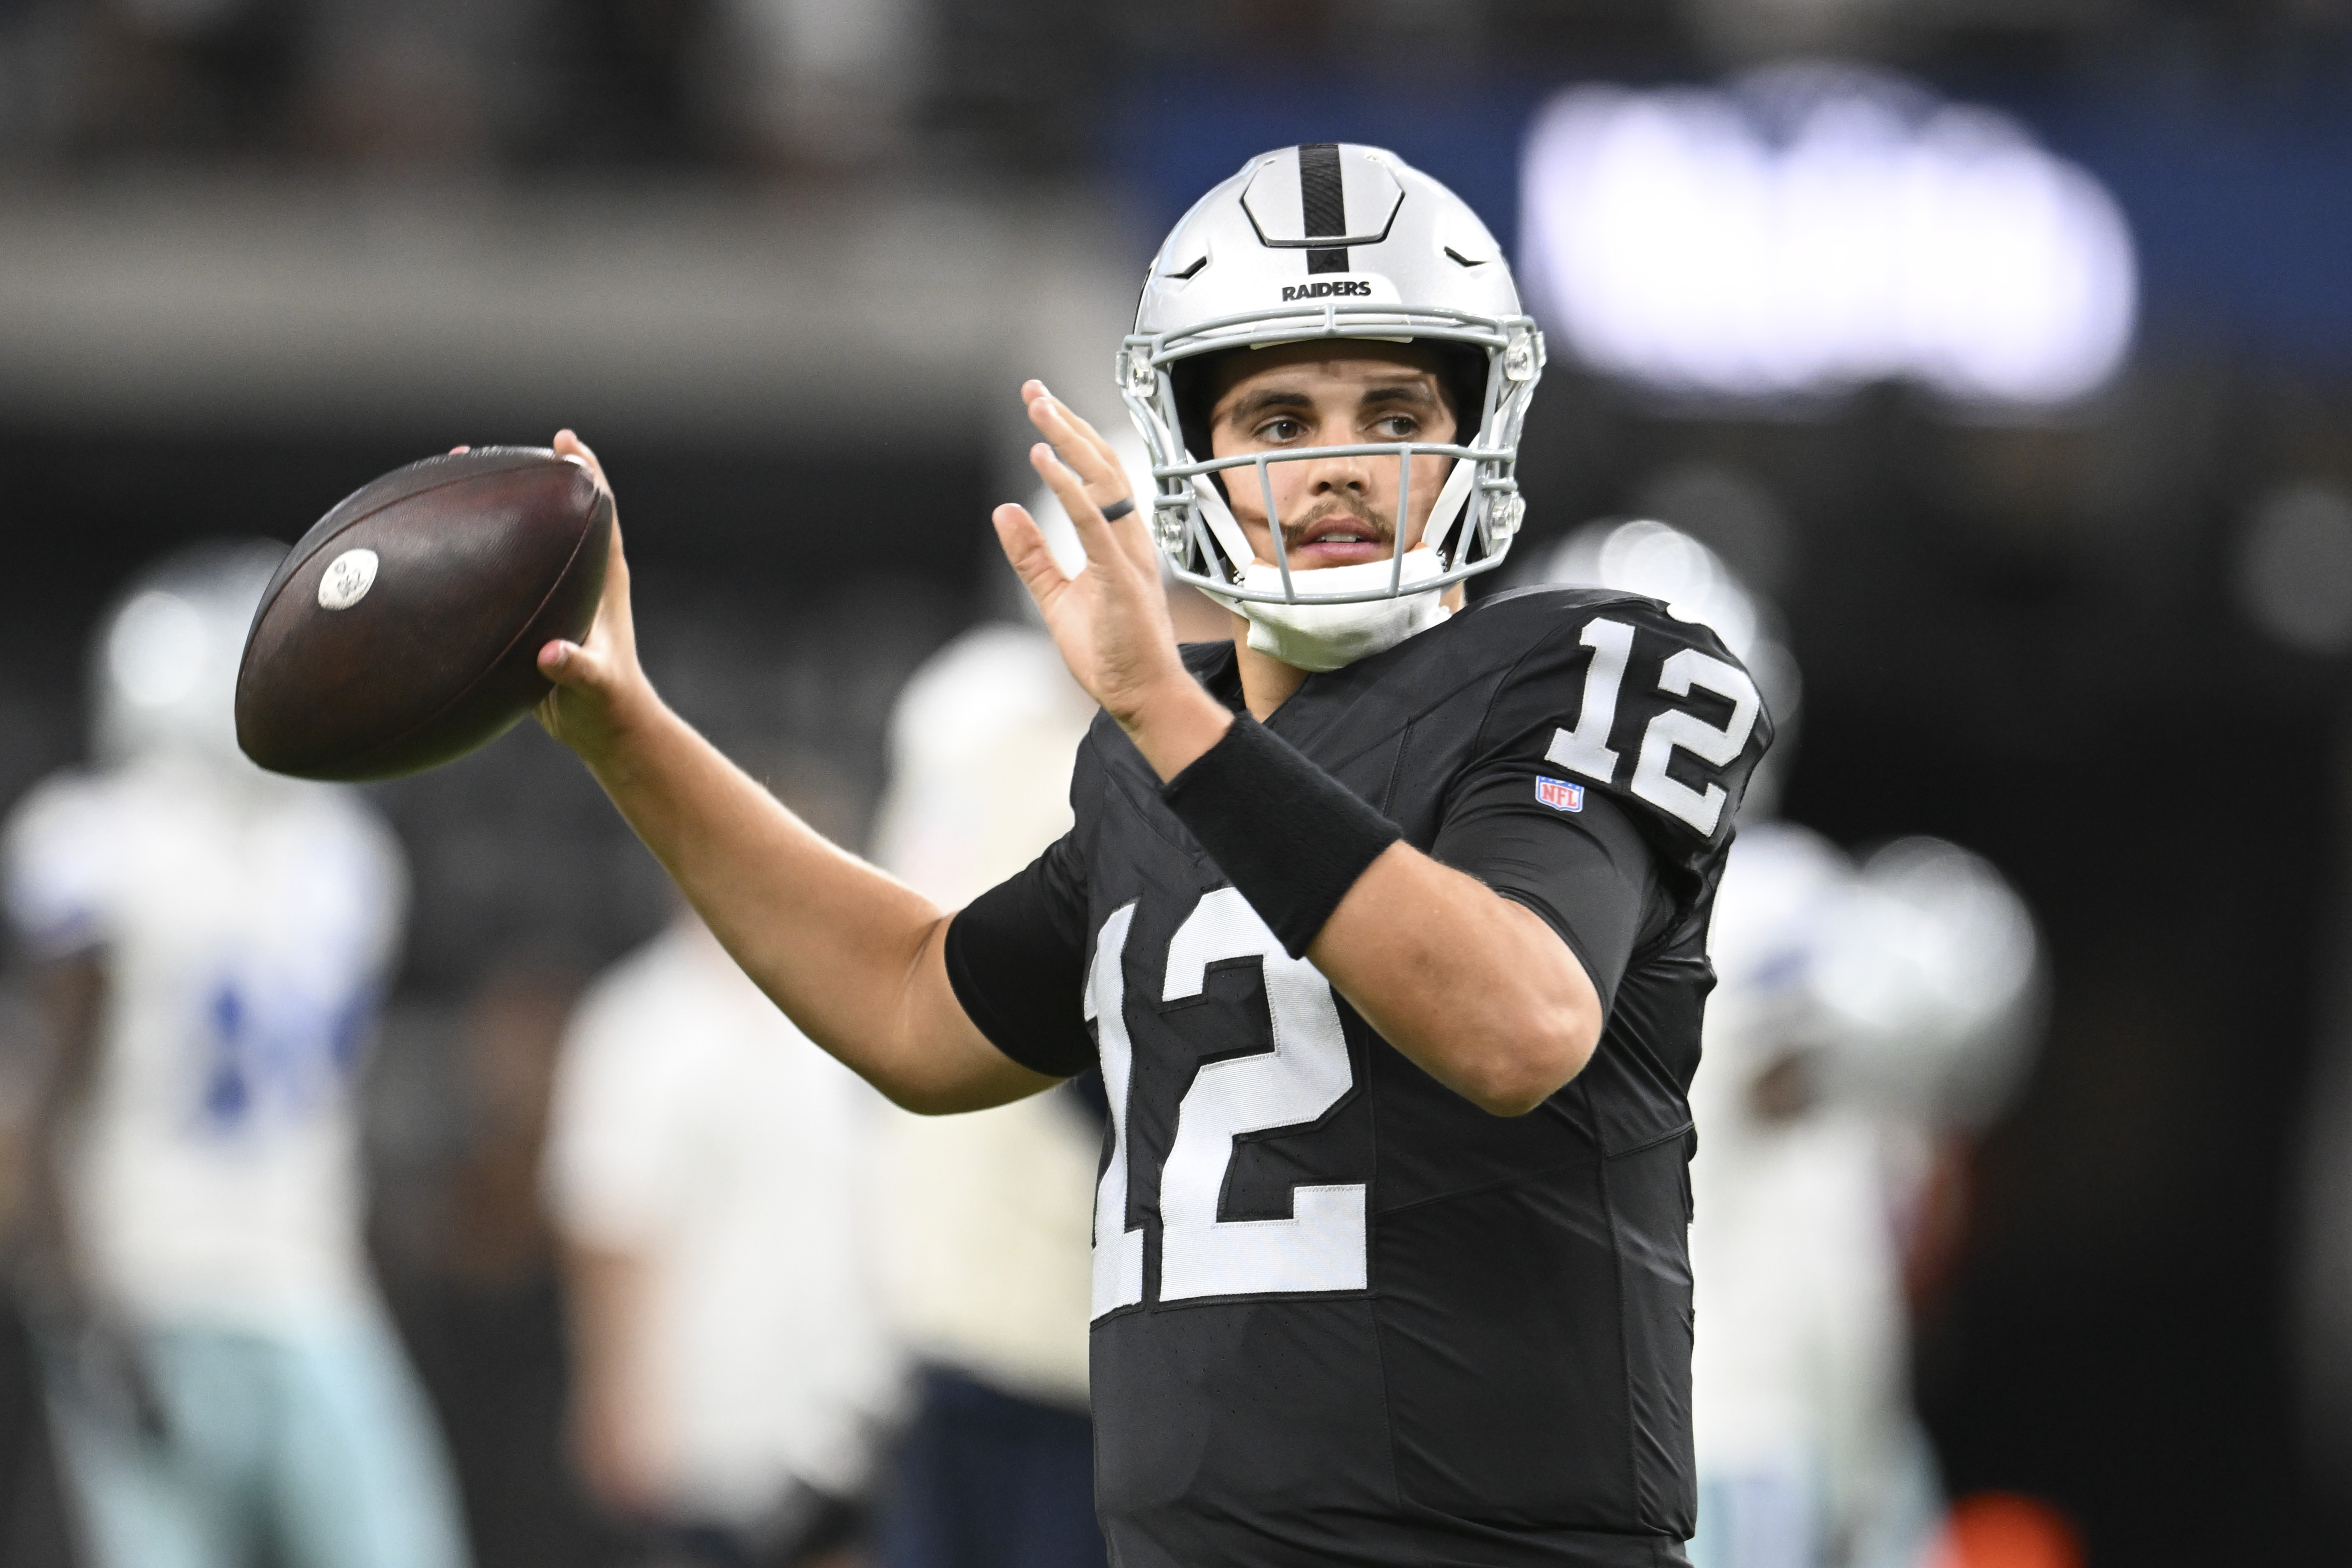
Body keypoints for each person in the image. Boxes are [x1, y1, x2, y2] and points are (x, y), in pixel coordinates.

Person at [522, 143, 1773, 1566]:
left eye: (1394, 408)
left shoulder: (1573, 669)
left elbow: (1517, 1016)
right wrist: (629, 732)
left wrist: (1176, 718)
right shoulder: (1154, 764)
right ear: (1192, 456)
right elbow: (911, 1007)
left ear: (1479, 426)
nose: (1341, 462)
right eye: (1279, 416)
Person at [1, 542, 470, 1568]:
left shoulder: (127, 840)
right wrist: (78, 1316)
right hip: (172, 1287)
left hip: (279, 1282)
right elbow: (49, 1105)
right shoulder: (339, 859)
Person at [544, 901, 905, 1568]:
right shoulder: (643, 1021)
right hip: (707, 1434)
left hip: (844, 1416)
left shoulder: (853, 1005)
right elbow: (606, 1220)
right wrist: (616, 1394)